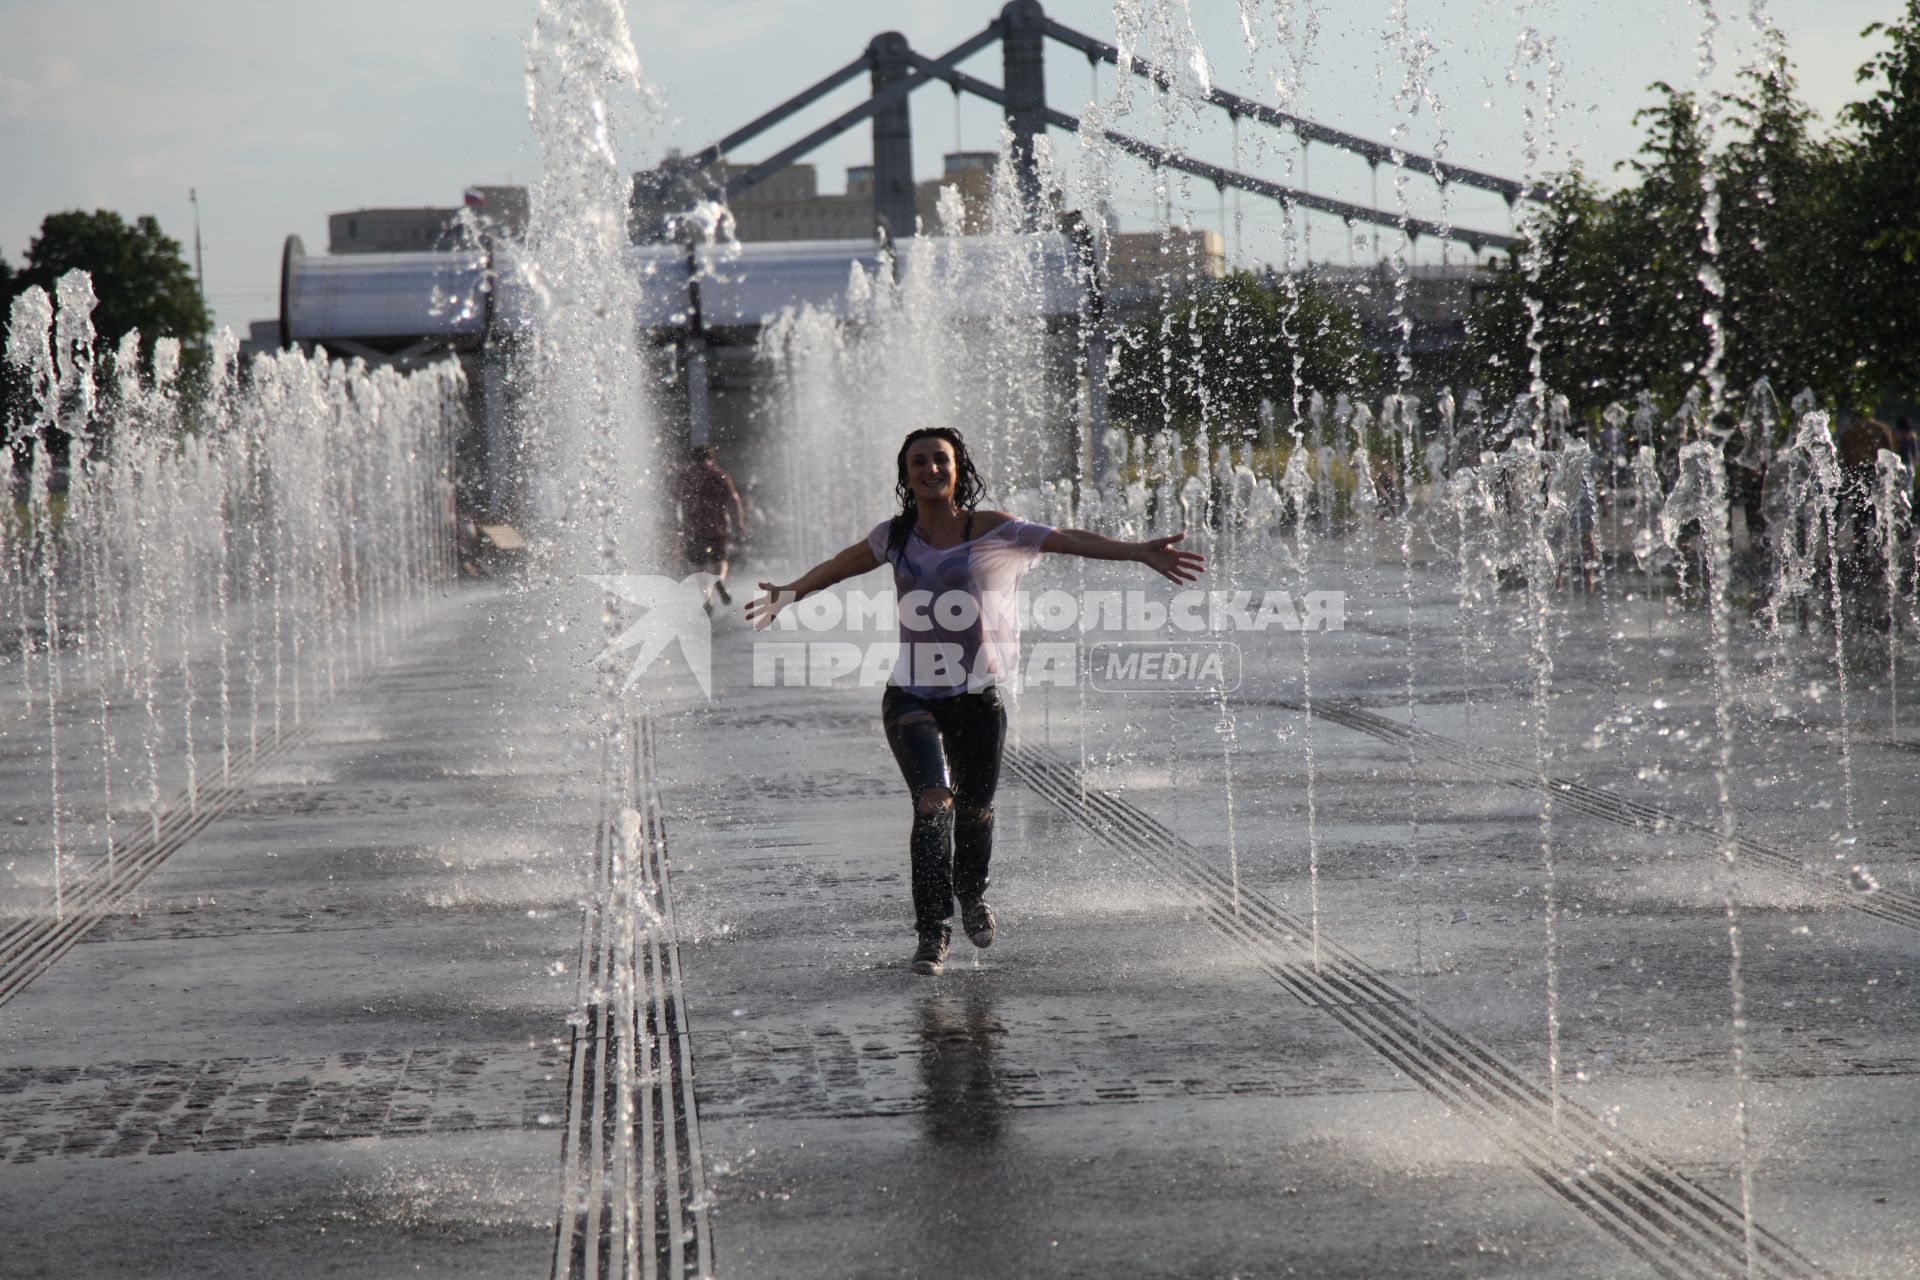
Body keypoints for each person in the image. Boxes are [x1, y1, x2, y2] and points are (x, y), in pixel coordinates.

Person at [745, 426, 1204, 977]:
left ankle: (972, 895)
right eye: (919, 462)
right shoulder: (894, 537)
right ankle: (932, 933)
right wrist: (789, 593)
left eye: (940, 459)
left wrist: (1136, 553)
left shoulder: (995, 529)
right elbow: (838, 567)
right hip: (910, 693)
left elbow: (1068, 539)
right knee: (933, 801)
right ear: (906, 473)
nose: (930, 469)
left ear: (958, 467)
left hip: (978, 698)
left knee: (976, 812)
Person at [677, 445, 746, 610]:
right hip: (716, 527)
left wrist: (678, 526)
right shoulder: (719, 475)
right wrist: (739, 523)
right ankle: (719, 580)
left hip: (694, 528)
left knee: (699, 566)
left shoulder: (686, 476)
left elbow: (676, 502)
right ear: (711, 458)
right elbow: (734, 500)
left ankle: (707, 599)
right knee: (720, 560)